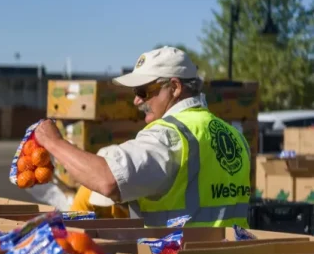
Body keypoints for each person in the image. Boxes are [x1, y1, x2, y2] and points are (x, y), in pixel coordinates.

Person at [35, 46, 251, 228]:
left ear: (174, 88)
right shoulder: (234, 136)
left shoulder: (169, 134)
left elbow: (108, 180)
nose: (137, 101)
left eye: (143, 91)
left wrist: (54, 142)